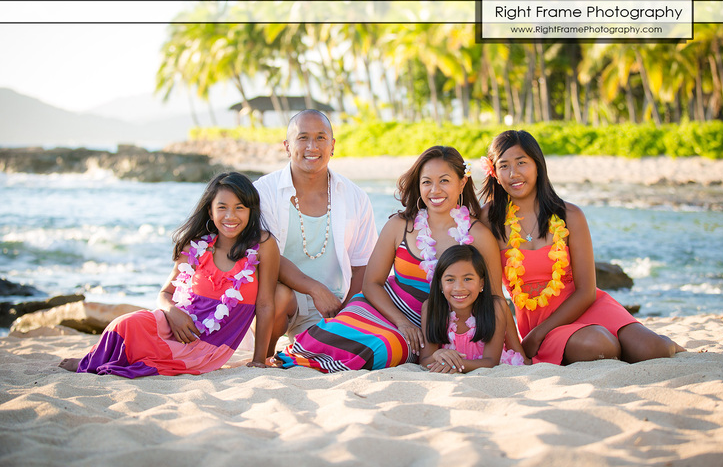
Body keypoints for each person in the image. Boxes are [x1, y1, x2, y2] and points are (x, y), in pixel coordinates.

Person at [275, 145, 527, 372]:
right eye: (427, 182)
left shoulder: (479, 235)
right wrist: (402, 322)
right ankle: (296, 359)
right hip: (384, 308)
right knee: (341, 330)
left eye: (444, 181)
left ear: (462, 183)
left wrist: (519, 352)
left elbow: (495, 299)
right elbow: (371, 283)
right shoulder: (400, 225)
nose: (435, 190)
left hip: (432, 326)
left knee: (384, 347)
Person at [479, 130, 685, 365]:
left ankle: (668, 344)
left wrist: (538, 334)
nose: (514, 173)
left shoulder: (570, 215)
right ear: (494, 172)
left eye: (521, 162)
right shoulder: (489, 220)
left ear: (537, 165)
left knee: (652, 348)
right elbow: (494, 293)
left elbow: (587, 290)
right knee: (599, 345)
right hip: (540, 323)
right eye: (504, 166)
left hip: (585, 306)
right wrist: (524, 340)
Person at [59, 172, 279, 377]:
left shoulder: (262, 244)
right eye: (222, 207)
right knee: (125, 323)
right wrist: (173, 312)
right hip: (174, 325)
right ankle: (90, 360)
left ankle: (93, 361)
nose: (230, 216)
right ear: (210, 211)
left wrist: (259, 359)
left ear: (251, 211)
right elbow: (165, 293)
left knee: (150, 356)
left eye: (239, 207)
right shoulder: (195, 247)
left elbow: (266, 303)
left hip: (209, 347)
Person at [254, 110, 378, 356]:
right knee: (280, 294)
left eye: (321, 138)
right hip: (277, 302)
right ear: (287, 146)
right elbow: (265, 256)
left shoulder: (355, 196)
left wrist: (346, 314)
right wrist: (315, 289)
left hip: (332, 306)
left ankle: (302, 347)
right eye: (302, 138)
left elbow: (363, 265)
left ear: (332, 146)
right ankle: (266, 355)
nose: (312, 146)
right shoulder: (262, 191)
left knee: (354, 353)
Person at [420, 244, 525, 373]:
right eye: (450, 279)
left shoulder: (495, 307)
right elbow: (425, 360)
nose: (459, 288)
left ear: (481, 283)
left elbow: (491, 361)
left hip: (494, 371)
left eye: (467, 279)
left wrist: (453, 364)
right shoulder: (431, 308)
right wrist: (437, 356)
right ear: (440, 284)